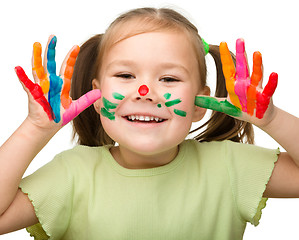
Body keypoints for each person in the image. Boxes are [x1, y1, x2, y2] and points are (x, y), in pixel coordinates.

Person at [0, 7, 299, 240]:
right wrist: (36, 128)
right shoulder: (71, 175)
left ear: (199, 102)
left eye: (169, 79)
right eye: (126, 76)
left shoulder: (229, 167)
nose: (145, 92)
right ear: (97, 96)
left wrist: (271, 119)